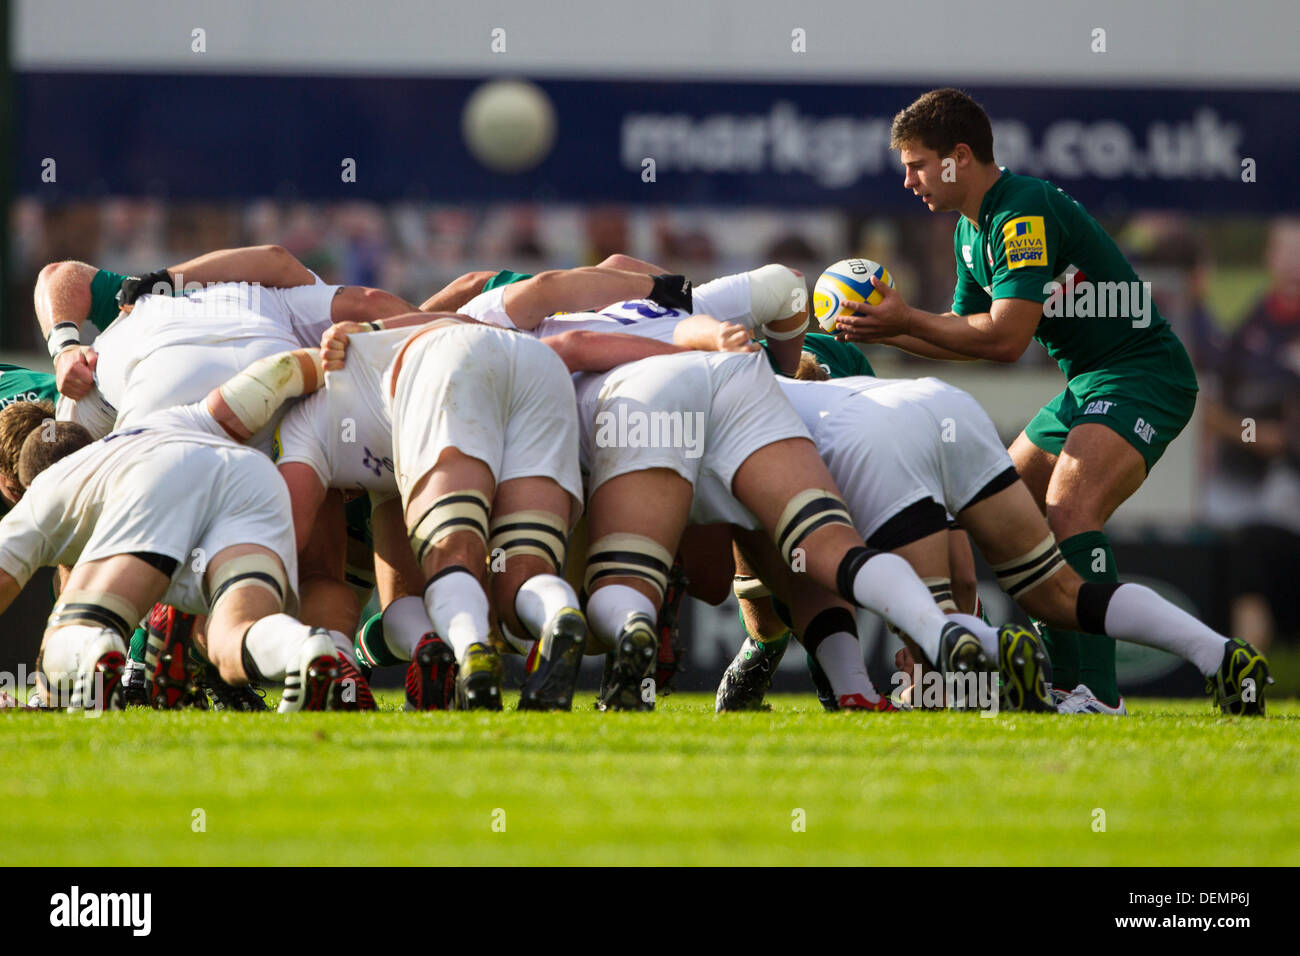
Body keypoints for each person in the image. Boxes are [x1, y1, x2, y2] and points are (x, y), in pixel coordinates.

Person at [836, 88, 1200, 711]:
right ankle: (963, 660)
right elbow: (963, 336)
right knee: (998, 512)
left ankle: (1092, 692)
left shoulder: (1021, 209)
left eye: (917, 164)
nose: (908, 181)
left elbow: (1005, 338)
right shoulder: (969, 232)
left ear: (959, 156)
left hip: (1142, 373)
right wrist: (890, 328)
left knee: (1068, 511)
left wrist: (903, 320)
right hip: (1087, 383)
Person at [0, 347, 337, 712]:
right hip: (250, 478)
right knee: (235, 631)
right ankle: (302, 649)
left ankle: (96, 643)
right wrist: (343, 356)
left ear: (13, 485)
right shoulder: (154, 421)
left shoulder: (43, 495)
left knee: (63, 642)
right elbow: (267, 377)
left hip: (153, 491)